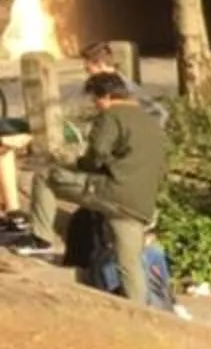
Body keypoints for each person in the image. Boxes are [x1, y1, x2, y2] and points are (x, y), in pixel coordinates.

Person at [19, 70, 170, 306]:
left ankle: (41, 240)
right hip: (140, 203)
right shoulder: (150, 122)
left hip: (111, 192)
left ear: (106, 96)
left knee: (45, 176)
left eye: (95, 99)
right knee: (129, 264)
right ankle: (142, 312)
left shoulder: (110, 116)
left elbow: (96, 156)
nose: (95, 105)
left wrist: (78, 164)